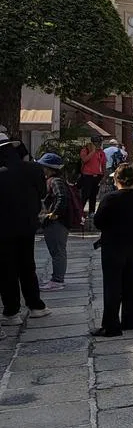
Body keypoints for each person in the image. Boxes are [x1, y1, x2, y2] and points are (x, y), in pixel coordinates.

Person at [0, 137, 50, 326]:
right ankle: (35, 305)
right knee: (27, 265)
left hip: (3, 229)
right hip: (27, 225)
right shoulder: (34, 169)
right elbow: (43, 193)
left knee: (6, 270)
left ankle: (12, 311)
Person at [92, 163, 133, 337]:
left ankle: (111, 325)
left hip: (113, 244)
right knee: (131, 281)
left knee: (113, 284)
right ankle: (130, 320)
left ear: (116, 179)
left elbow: (98, 221)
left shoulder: (110, 198)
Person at [37, 152, 71, 291]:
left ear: (48, 167)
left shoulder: (55, 181)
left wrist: (54, 214)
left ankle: (57, 280)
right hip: (55, 221)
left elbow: (62, 197)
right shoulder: (54, 180)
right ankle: (56, 277)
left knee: (57, 251)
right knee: (56, 250)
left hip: (57, 222)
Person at [78, 134, 106, 217]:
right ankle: (79, 211)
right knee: (85, 194)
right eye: (97, 143)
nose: (99, 144)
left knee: (93, 195)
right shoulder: (85, 150)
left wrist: (104, 175)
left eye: (100, 143)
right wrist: (93, 151)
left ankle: (91, 212)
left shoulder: (101, 152)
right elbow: (84, 160)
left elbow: (103, 164)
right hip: (87, 175)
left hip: (97, 175)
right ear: (93, 143)